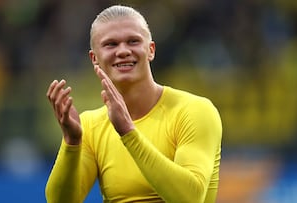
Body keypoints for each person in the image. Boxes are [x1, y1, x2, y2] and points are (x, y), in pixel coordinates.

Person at [45, 5, 222, 203]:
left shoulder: (194, 111)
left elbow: (190, 197)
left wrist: (129, 133)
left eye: (133, 41)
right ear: (94, 59)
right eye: (111, 44)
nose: (123, 51)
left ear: (151, 50)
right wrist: (72, 142)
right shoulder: (90, 126)